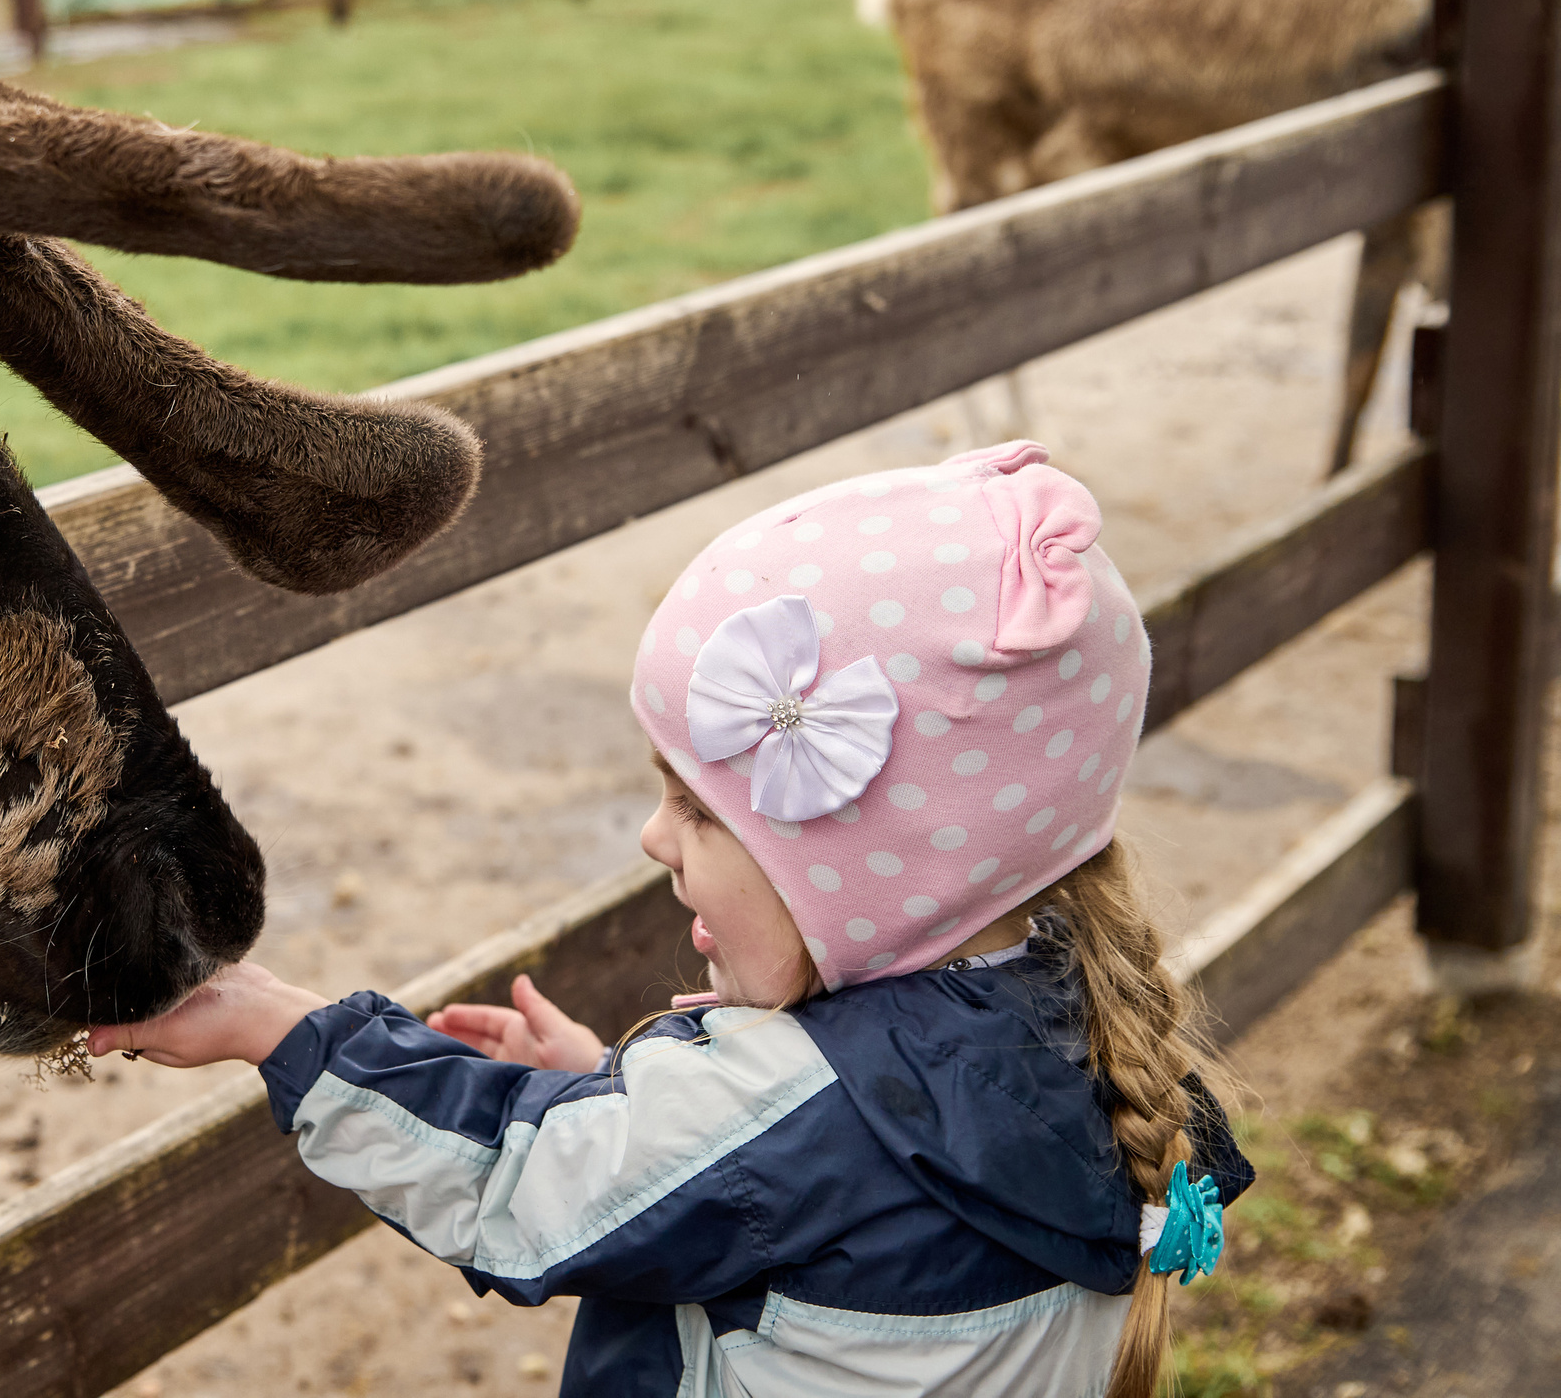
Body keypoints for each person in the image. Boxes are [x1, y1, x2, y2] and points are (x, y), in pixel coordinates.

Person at [90, 441, 1252, 1397]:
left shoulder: (794, 1111)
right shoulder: (1080, 1030)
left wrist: (282, 1029)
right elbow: (815, 1186)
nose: (655, 837)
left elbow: (516, 1190)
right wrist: (612, 1090)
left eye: (698, 809)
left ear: (865, 870)